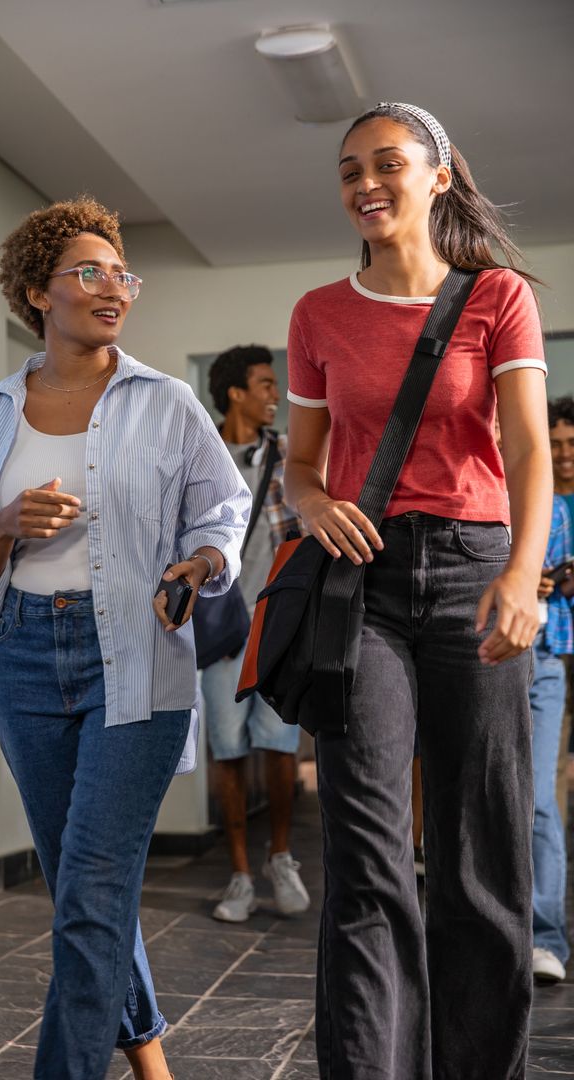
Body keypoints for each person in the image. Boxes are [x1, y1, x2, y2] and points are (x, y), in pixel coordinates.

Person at [0, 197, 250, 1080]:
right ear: (38, 290)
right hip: (28, 655)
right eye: (88, 271)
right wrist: (6, 523)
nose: (113, 287)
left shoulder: (167, 401)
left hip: (137, 655)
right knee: (83, 888)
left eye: (121, 273)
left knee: (92, 892)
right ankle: (151, 1060)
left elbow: (225, 507)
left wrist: (202, 560)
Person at [284, 103, 550, 1079]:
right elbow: (302, 466)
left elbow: (526, 449)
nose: (365, 182)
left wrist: (523, 576)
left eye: (388, 163)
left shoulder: (498, 298)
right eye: (349, 168)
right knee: (365, 853)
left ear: (438, 175)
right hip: (363, 586)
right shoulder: (319, 313)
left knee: (481, 850)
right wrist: (311, 505)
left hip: (476, 576)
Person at [201, 345, 310, 922]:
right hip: (219, 630)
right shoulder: (200, 456)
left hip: (275, 629)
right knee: (228, 747)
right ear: (236, 392)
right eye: (266, 384)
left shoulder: (291, 454)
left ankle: (282, 856)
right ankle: (240, 873)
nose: (276, 394)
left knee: (279, 745)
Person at [531, 493, 574, 984]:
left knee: (541, 800)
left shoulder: (555, 506)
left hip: (541, 659)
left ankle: (546, 938)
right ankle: (482, 935)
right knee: (478, 797)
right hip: (472, 655)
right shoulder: (467, 488)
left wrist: (553, 581)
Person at [549, 395, 574, 825]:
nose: (565, 453)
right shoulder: (538, 499)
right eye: (555, 443)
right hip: (556, 640)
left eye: (572, 442)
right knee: (554, 760)